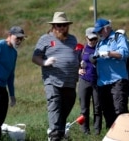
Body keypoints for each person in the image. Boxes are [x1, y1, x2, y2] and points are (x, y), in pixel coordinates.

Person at [32, 12, 79, 141]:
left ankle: (60, 132)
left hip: (70, 81)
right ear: (54, 26)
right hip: (52, 81)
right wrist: (44, 62)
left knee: (67, 105)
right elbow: (35, 57)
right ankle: (54, 136)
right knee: (54, 105)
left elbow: (76, 56)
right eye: (59, 25)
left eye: (64, 25)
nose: (62, 27)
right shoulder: (45, 39)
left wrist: (81, 65)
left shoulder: (73, 39)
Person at [91, 18, 129, 129]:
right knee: (107, 112)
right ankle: (112, 135)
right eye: (97, 32)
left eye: (100, 31)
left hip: (118, 80)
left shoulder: (118, 38)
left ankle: (125, 134)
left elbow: (124, 53)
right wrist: (92, 59)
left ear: (107, 28)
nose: (98, 34)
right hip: (103, 82)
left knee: (119, 109)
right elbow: (95, 57)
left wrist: (109, 53)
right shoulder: (99, 43)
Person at [78, 27, 102, 135]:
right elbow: (75, 63)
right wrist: (78, 70)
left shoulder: (101, 49)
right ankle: (85, 131)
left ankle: (97, 131)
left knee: (97, 108)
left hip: (97, 81)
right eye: (90, 39)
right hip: (84, 81)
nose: (92, 41)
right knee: (84, 108)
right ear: (86, 38)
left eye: (95, 39)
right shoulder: (81, 50)